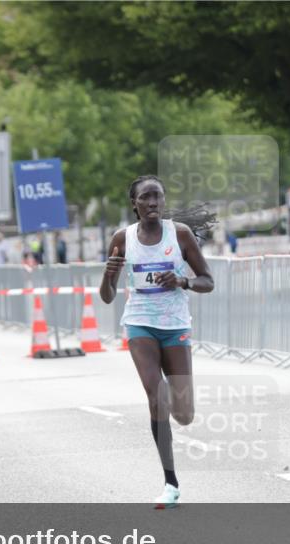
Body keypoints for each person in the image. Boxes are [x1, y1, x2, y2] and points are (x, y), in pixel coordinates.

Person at [99, 175, 215, 509]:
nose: (153, 203)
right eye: (146, 198)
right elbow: (107, 297)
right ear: (134, 204)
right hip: (140, 324)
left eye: (158, 197)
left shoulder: (180, 235)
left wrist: (182, 280)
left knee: (184, 413)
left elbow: (208, 280)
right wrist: (108, 274)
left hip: (175, 325)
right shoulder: (122, 239)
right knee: (157, 395)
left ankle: (179, 418)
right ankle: (170, 482)